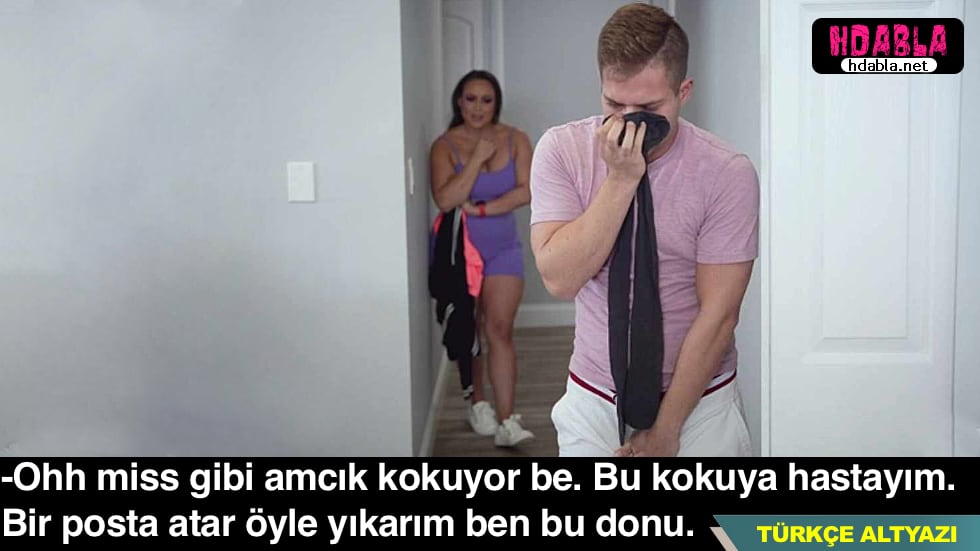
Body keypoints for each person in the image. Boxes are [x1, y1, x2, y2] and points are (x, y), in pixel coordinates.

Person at [529, 3, 758, 457]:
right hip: (594, 394)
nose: (629, 121)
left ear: (683, 91)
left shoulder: (727, 172)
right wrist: (620, 179)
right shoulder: (561, 150)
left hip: (701, 401)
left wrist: (666, 429)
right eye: (615, 105)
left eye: (649, 108)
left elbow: (720, 315)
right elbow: (559, 279)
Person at [430, 70, 535, 447]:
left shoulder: (516, 139)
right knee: (468, 329)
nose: (478, 107)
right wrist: (476, 159)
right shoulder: (444, 146)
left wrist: (483, 209)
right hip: (459, 252)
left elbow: (528, 190)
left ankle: (507, 421)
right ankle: (477, 402)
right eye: (470, 99)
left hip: (504, 247)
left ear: (496, 104)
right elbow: (446, 199)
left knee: (500, 328)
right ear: (459, 102)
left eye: (486, 100)